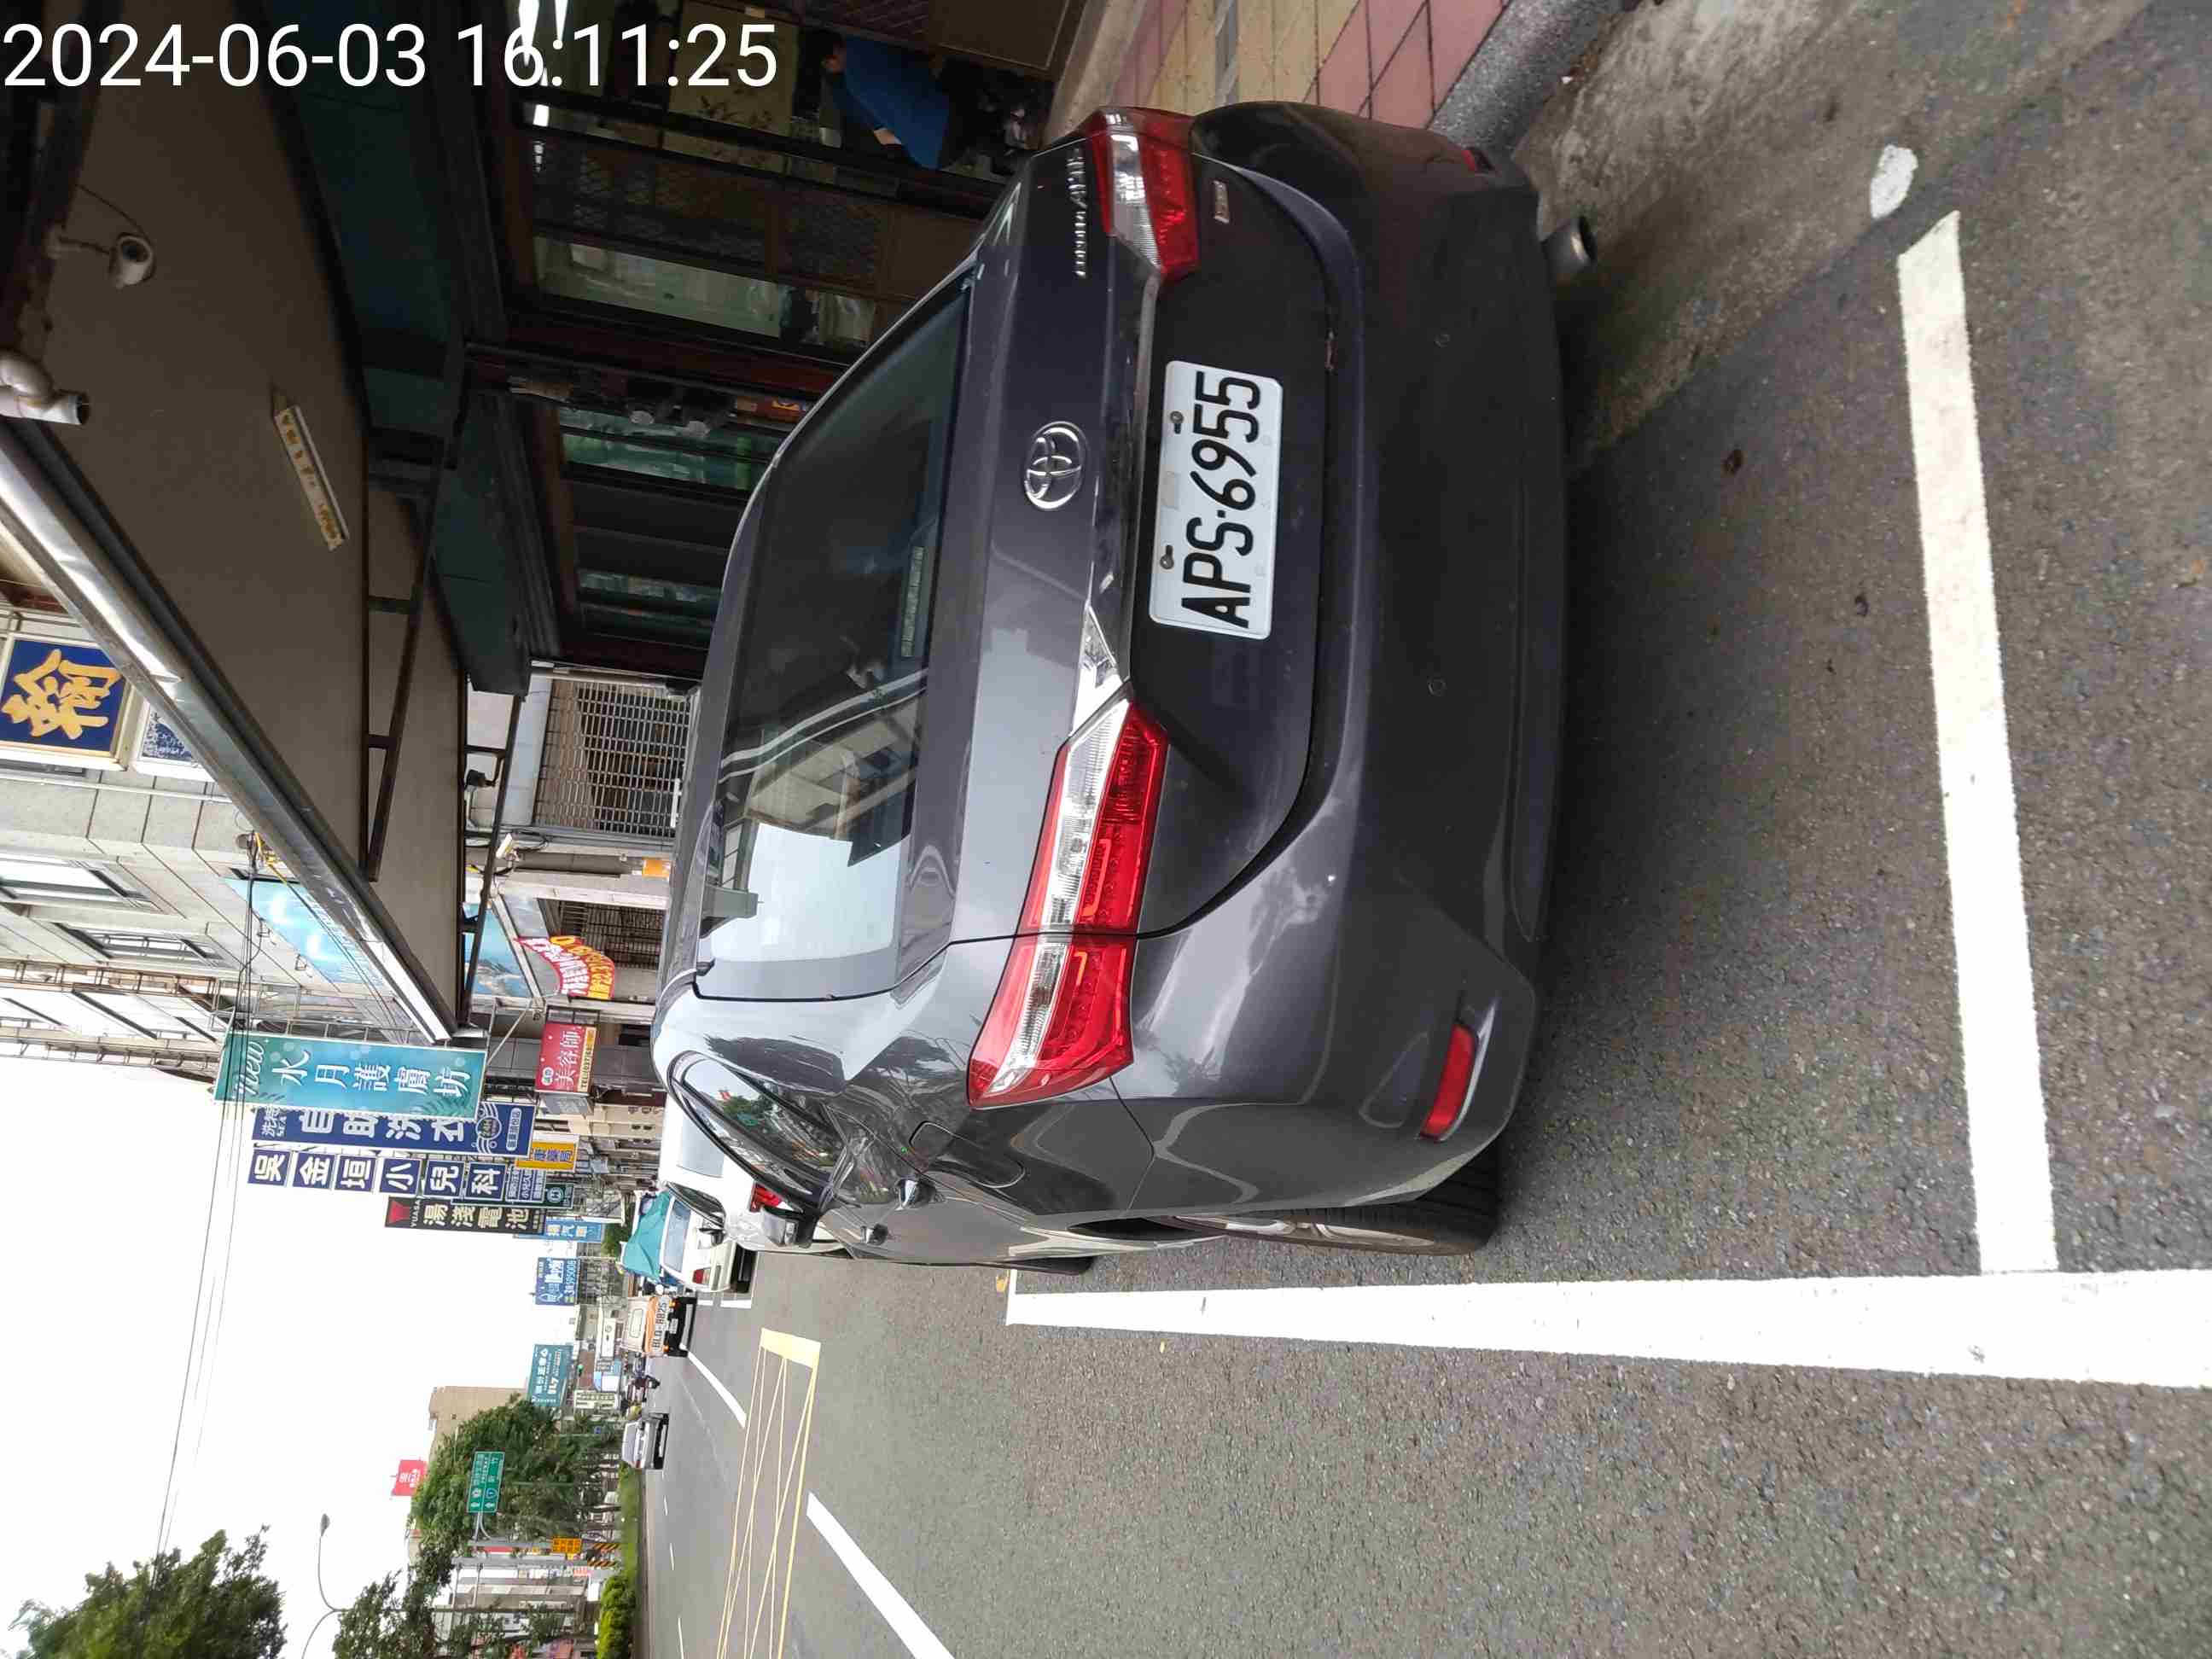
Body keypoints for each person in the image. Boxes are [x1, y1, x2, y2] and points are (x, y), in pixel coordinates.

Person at [818, 35, 1020, 175]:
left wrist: (914, 132)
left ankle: (1009, 149)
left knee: (959, 130)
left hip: (932, 156)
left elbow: (884, 137)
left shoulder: (852, 86)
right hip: (948, 117)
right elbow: (929, 66)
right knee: (963, 60)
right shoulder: (868, 39)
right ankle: (1013, 111)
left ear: (831, 59)